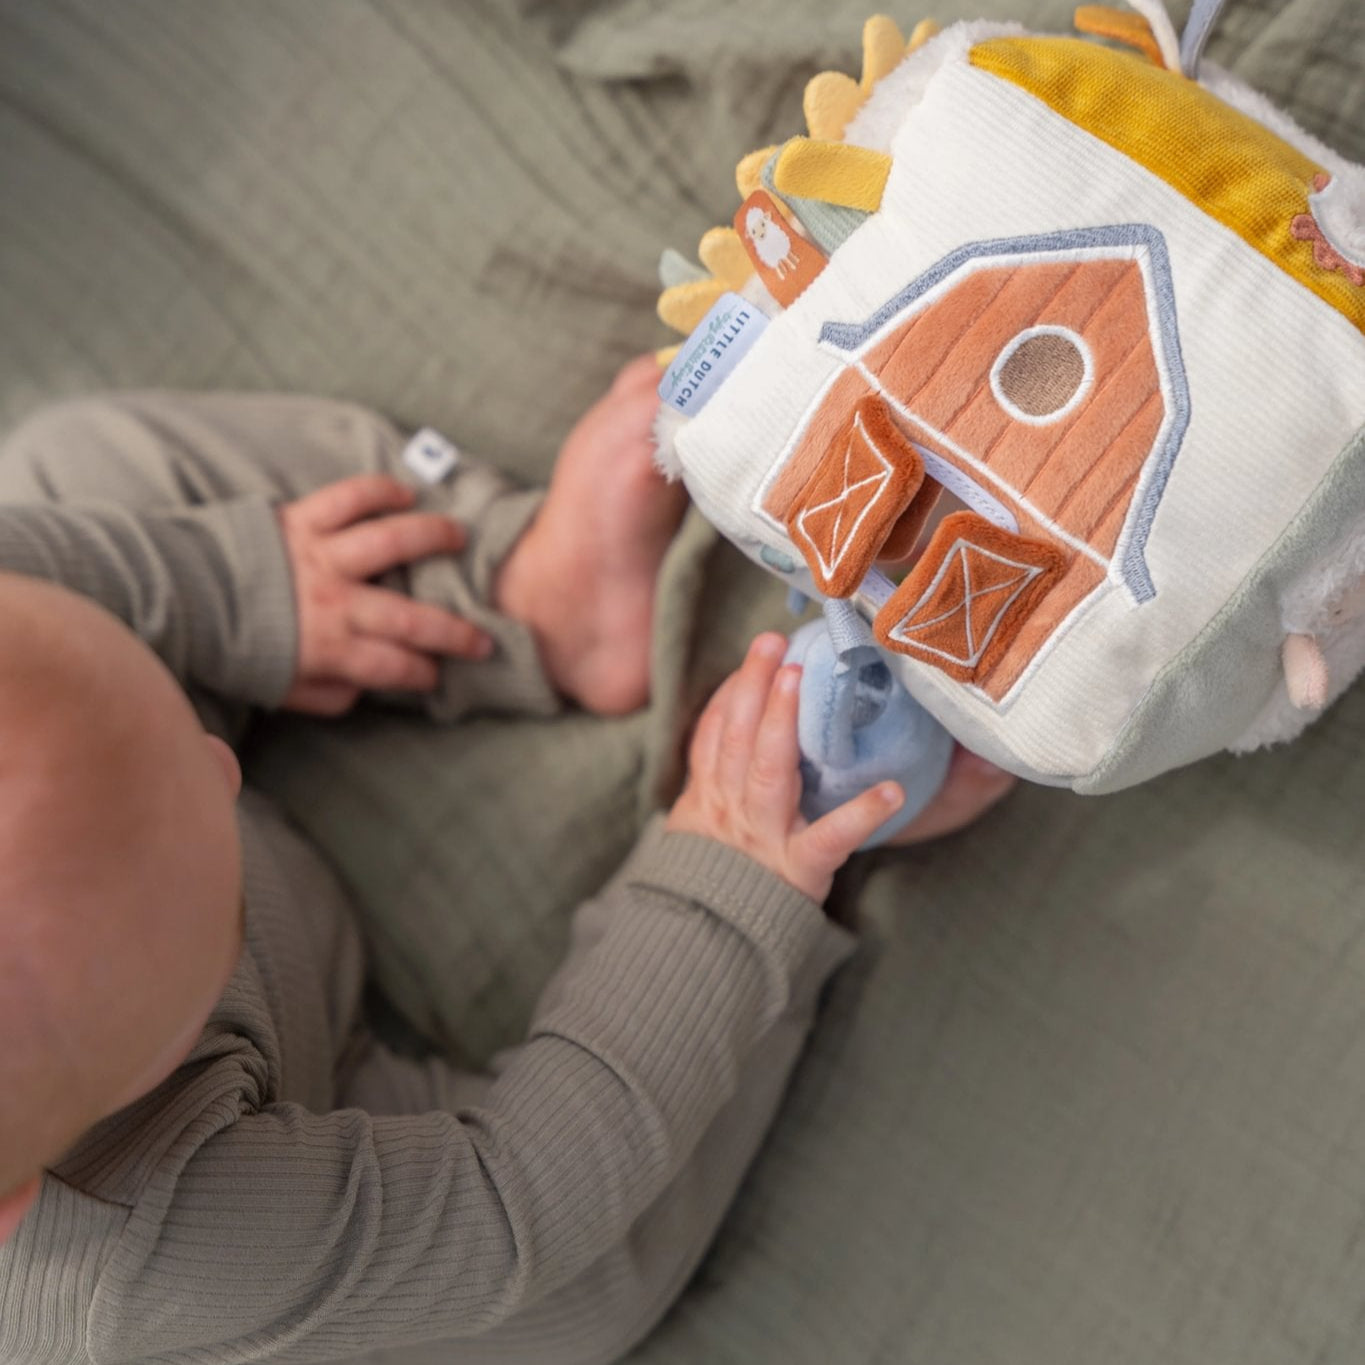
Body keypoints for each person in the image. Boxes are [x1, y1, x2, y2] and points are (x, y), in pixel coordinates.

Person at [0, 357, 1013, 1364]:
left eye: (184, 755)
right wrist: (728, 882)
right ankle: (790, 848)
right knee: (562, 1298)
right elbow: (512, 1203)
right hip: (309, 1146)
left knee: (70, 469)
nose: (213, 765)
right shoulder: (137, 1252)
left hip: (137, 732)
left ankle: (524, 598)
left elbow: (114, 582)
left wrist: (248, 592)